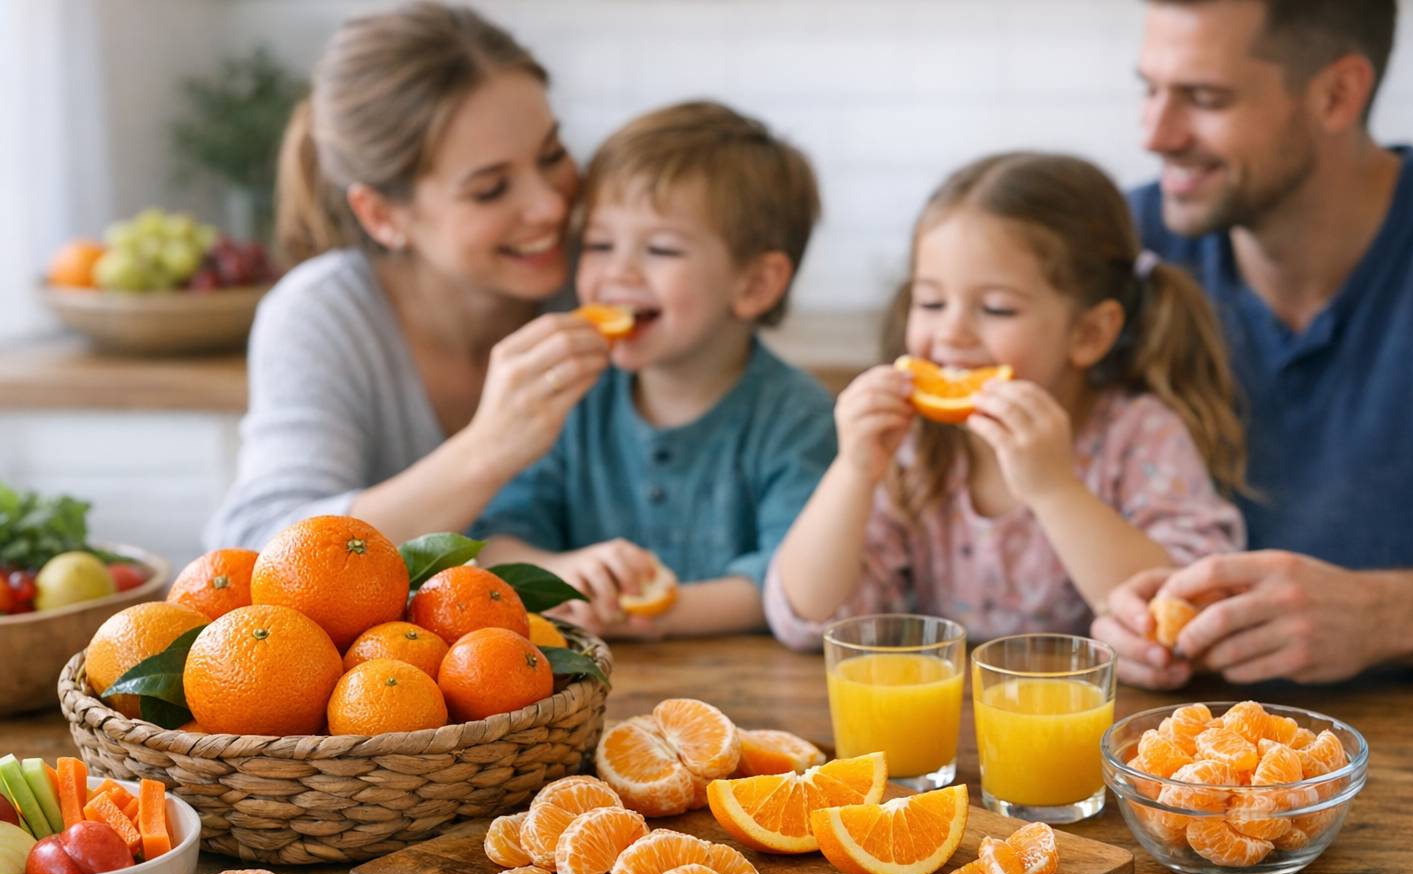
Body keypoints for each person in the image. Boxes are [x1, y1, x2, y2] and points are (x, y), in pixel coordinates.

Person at [1094, 0, 1413, 686]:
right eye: (1150, 90)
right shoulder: (1119, 249)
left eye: (1205, 98)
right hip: (1167, 765)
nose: (1155, 134)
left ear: (1337, 94)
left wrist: (1383, 616)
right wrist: (1106, 612)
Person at [764, 152, 1246, 650]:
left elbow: (1181, 614)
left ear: (1089, 332)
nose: (951, 332)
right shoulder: (912, 445)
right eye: (929, 302)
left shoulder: (1141, 435)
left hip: (1104, 721)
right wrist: (853, 471)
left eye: (996, 308)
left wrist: (1055, 489)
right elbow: (808, 617)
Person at [205, 2, 611, 550]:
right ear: (382, 215)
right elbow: (259, 547)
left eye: (552, 155)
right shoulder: (324, 313)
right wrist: (488, 449)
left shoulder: (605, 274)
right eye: (490, 189)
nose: (551, 207)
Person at [472, 101, 836, 638]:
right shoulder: (572, 395)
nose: (617, 271)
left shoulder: (796, 416)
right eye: (598, 244)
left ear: (755, 284)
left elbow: (788, 582)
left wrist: (657, 612)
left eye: (661, 248)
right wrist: (564, 574)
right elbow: (498, 539)